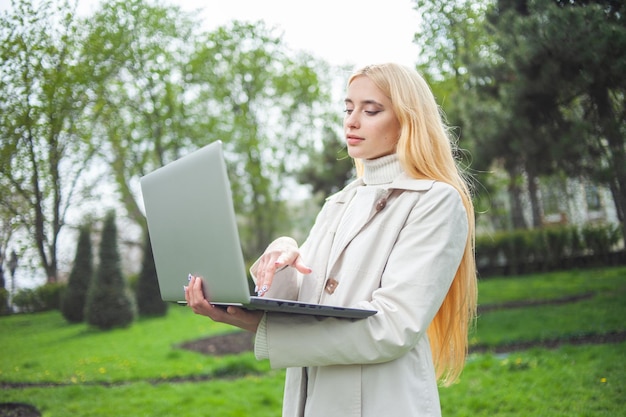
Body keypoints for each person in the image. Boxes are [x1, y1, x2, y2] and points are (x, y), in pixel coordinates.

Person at [185, 62, 477, 417]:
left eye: (370, 110)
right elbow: (305, 296)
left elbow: (393, 327)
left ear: (408, 120)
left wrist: (258, 325)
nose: (351, 121)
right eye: (348, 108)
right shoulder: (339, 201)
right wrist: (282, 253)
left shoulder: (435, 201)